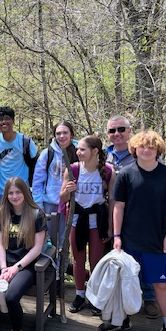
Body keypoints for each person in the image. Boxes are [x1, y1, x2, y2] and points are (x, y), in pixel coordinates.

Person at [111, 131, 166, 331]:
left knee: (160, 284)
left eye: (151, 147)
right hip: (129, 240)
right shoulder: (125, 174)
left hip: (157, 241)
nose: (146, 150)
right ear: (134, 149)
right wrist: (117, 236)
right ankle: (123, 319)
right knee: (126, 281)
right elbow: (118, 207)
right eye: (142, 146)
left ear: (158, 150)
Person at [0, 177, 47, 331]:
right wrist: (3, 269)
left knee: (11, 297)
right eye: (10, 193)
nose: (14, 196)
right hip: (3, 262)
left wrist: (15, 268)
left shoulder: (36, 214)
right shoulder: (2, 213)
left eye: (18, 192)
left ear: (25, 193)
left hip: (25, 265)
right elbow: (0, 245)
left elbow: (37, 249)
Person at [105, 115, 159, 319]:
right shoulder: (104, 155)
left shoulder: (142, 153)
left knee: (145, 258)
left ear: (129, 131)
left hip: (142, 216)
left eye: (121, 129)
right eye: (112, 131)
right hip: (113, 213)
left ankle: (149, 298)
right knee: (121, 259)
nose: (116, 134)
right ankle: (122, 301)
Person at [59, 135, 115, 315]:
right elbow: (62, 198)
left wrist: (111, 227)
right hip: (77, 219)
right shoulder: (73, 169)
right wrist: (67, 191)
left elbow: (112, 201)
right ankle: (79, 294)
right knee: (78, 259)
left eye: (82, 149)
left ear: (95, 151)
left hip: (97, 220)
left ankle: (94, 296)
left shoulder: (107, 171)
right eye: (78, 149)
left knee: (96, 261)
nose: (78, 152)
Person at [32, 120, 78, 248]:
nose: (62, 136)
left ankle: (62, 265)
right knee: (48, 239)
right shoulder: (48, 154)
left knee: (66, 239)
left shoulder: (80, 151)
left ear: (71, 134)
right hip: (50, 203)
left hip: (72, 203)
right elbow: (37, 181)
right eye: (58, 133)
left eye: (65, 133)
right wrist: (38, 204)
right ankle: (51, 265)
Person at [0, 106, 38, 205]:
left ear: (13, 121)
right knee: (1, 218)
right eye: (0, 120)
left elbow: (38, 164)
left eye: (7, 119)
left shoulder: (25, 141)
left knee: (23, 218)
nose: (4, 122)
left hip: (22, 189)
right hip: (1, 189)